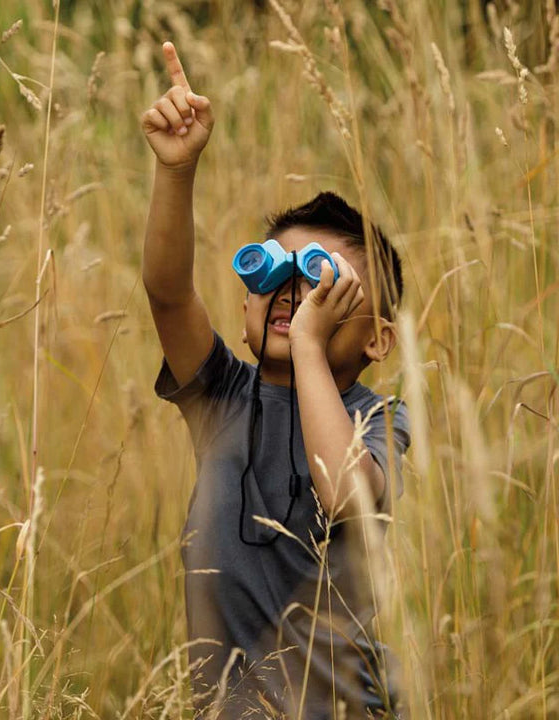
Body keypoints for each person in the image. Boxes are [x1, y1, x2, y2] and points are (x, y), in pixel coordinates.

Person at [141, 40, 410, 720]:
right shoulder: (221, 396)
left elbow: (348, 493)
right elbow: (168, 293)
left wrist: (312, 350)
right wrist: (177, 171)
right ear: (245, 309)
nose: (294, 293)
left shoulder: (381, 420)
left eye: (321, 280)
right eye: (275, 274)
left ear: (379, 337)